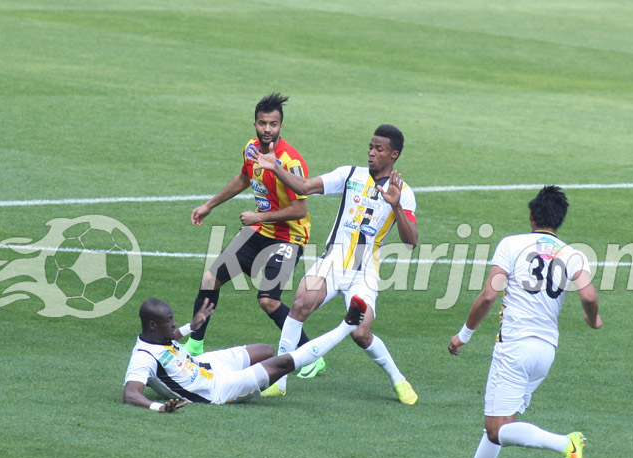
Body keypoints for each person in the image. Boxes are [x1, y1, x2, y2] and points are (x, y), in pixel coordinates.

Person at [436, 185, 602, 458]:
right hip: (546, 352)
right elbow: (588, 296)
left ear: (531, 215)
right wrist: (592, 319)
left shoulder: (511, 244)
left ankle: (565, 443)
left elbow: (487, 296)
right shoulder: (573, 254)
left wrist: (463, 335)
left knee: (498, 428)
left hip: (513, 348)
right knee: (499, 426)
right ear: (560, 220)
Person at [251, 124, 419, 404]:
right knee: (300, 305)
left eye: (379, 149)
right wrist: (275, 168)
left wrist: (397, 206)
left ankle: (399, 380)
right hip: (332, 261)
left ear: (394, 154)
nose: (371, 153)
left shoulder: (403, 193)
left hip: (363, 271)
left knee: (362, 334)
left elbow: (411, 240)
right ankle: (279, 381)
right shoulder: (349, 175)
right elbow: (304, 186)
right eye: (370, 147)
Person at [187, 93, 312, 357]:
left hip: (288, 238)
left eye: (273, 124)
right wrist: (210, 205)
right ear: (255, 123)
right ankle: (194, 345)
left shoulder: (290, 161)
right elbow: (244, 178)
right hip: (258, 232)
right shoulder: (251, 148)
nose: (268, 129)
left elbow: (300, 210)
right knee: (211, 278)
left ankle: (310, 356)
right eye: (262, 123)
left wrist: (259, 217)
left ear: (281, 126)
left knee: (268, 300)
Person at [123, 295, 368, 410]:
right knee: (281, 364)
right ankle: (346, 325)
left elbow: (167, 343)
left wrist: (191, 326)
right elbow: (130, 394)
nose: (174, 325)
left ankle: (278, 385)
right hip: (216, 390)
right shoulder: (142, 358)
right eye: (170, 321)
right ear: (153, 325)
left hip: (206, 364)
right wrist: (158, 407)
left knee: (266, 350)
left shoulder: (158, 337)